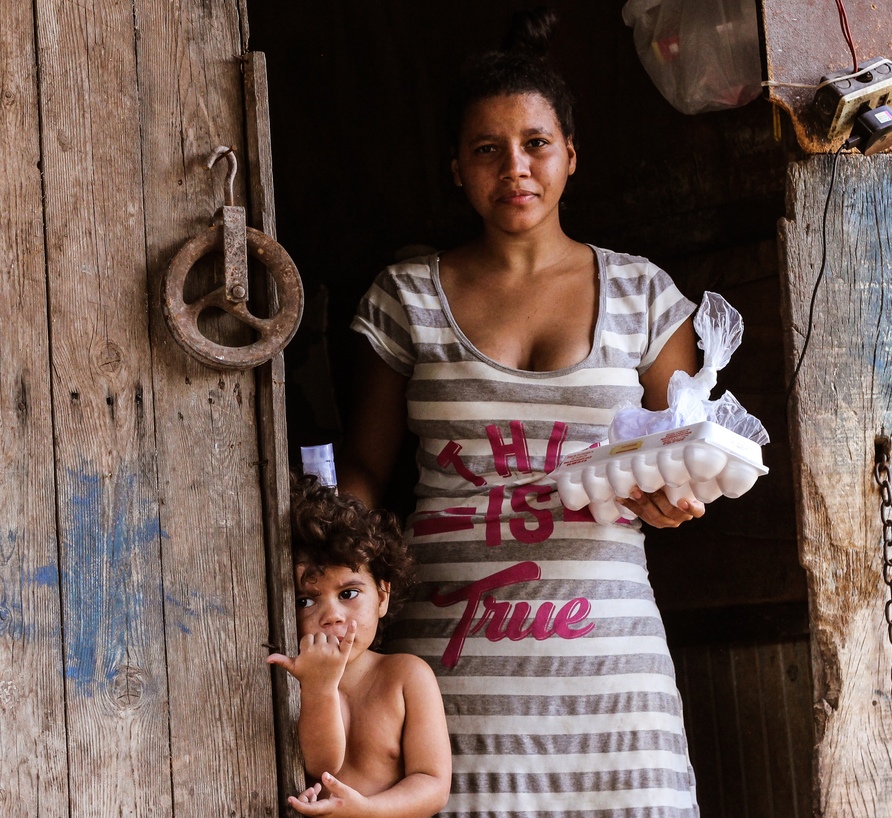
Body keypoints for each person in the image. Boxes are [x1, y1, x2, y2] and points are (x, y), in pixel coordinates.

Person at [338, 8, 704, 816]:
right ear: (456, 169)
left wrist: (676, 499)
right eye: (486, 150)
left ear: (570, 154)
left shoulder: (645, 297)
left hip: (611, 679)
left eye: (535, 143)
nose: (516, 168)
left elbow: (683, 452)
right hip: (451, 677)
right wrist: (341, 578)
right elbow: (363, 469)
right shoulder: (406, 299)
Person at [267, 475, 452, 818]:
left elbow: (433, 784)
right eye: (306, 600)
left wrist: (366, 810)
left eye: (348, 594)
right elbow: (324, 764)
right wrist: (319, 688)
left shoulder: (406, 676)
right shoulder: (290, 679)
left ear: (383, 596)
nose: (331, 616)